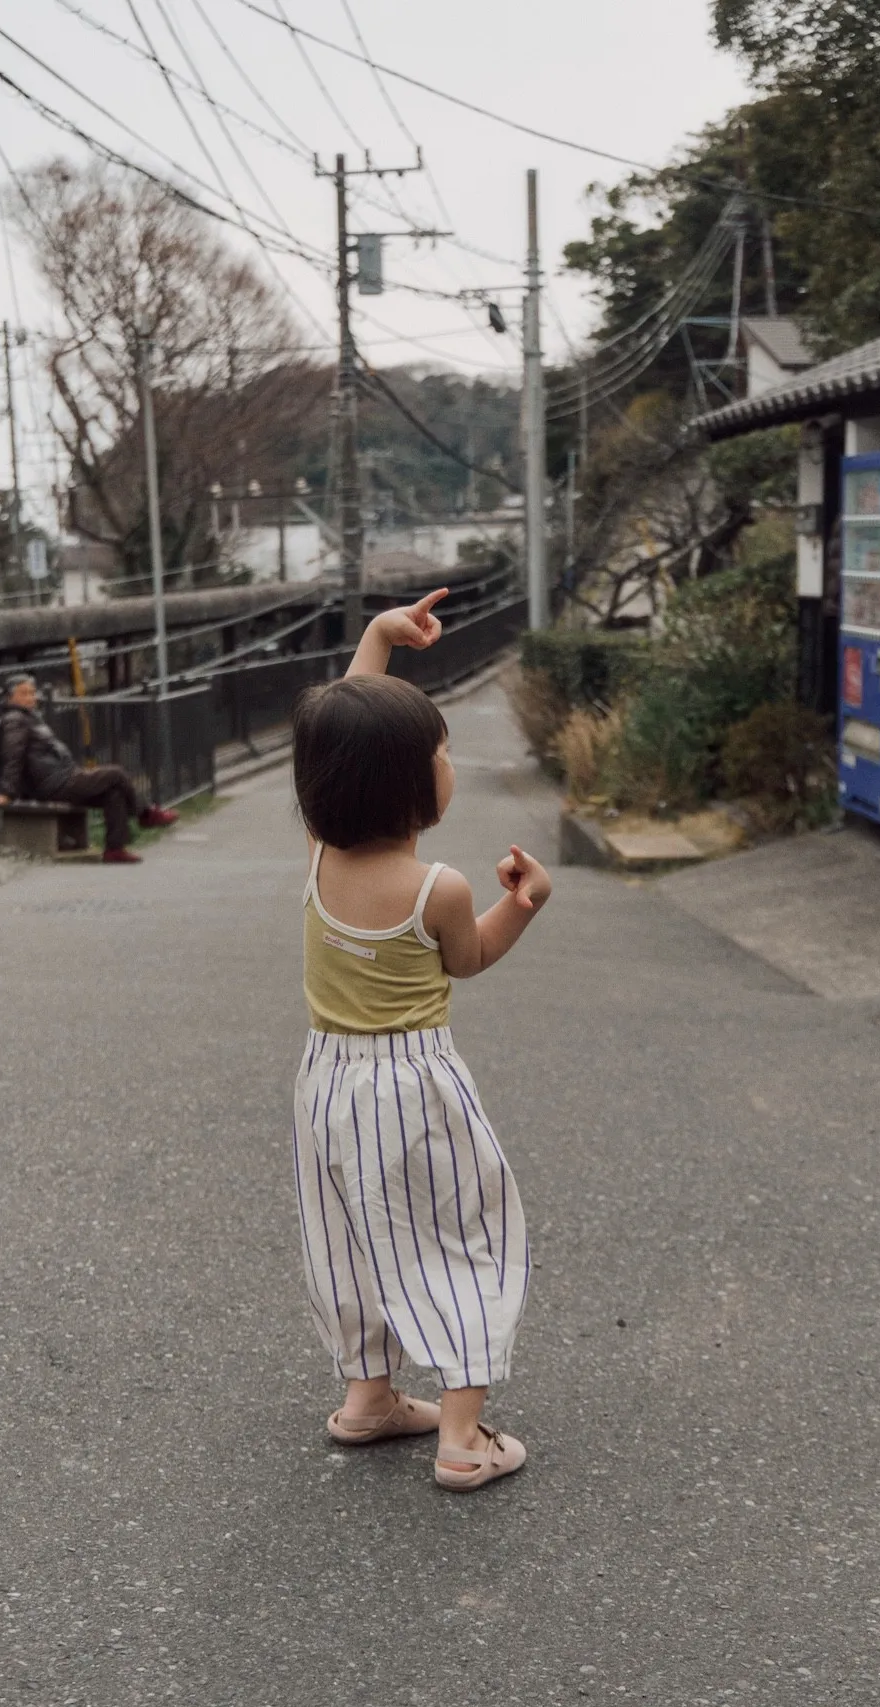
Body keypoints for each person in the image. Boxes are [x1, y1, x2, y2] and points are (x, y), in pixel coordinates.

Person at [291, 588, 552, 1493]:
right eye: (440, 753)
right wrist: (525, 903)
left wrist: (377, 640)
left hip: (326, 1083)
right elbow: (468, 959)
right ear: (411, 785)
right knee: (461, 1233)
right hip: (413, 1087)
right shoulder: (438, 887)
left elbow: (339, 736)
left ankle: (368, 1396)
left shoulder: (320, 857)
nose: (449, 764)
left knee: (350, 1232)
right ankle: (464, 1437)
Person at [0, 672, 178, 865]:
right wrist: (7, 792)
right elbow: (13, 756)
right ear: (10, 697)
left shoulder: (30, 717)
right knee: (115, 774)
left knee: (114, 793)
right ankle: (147, 814)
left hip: (63, 777)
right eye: (24, 693)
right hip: (53, 784)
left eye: (32, 692)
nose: (30, 697)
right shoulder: (15, 719)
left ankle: (115, 849)